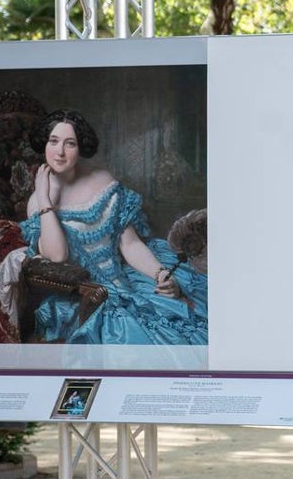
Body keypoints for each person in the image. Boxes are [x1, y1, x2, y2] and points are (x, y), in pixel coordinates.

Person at [22, 109, 207, 344]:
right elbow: (58, 256)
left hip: (128, 278)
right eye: (53, 141)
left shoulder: (102, 180)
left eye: (70, 143)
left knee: (185, 320)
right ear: (44, 144)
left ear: (80, 148)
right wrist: (45, 199)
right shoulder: (37, 202)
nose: (59, 152)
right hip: (86, 295)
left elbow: (129, 244)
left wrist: (161, 274)